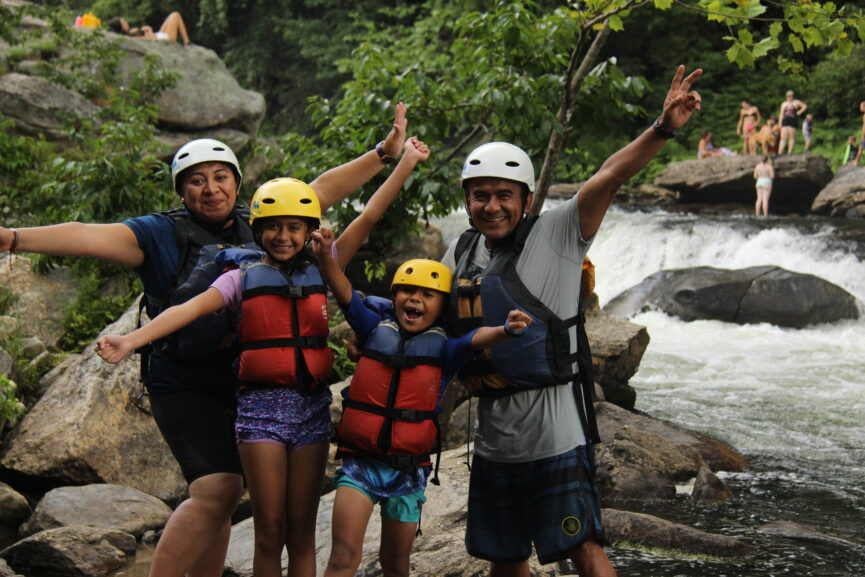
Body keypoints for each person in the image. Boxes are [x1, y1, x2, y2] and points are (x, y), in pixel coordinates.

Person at [0, 104, 407, 577]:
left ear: (237, 183)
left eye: (220, 177)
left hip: (248, 382)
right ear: (180, 189)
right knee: (216, 491)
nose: (210, 188)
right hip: (184, 381)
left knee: (227, 493)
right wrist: (13, 238)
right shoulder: (156, 233)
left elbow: (319, 192)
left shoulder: (261, 223)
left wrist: (383, 154)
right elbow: (87, 235)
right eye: (196, 180)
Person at [441, 65, 703, 577]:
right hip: (494, 440)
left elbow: (610, 176)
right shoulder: (460, 251)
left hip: (555, 436)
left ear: (524, 197)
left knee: (583, 547)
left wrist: (663, 127)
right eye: (480, 195)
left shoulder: (558, 233)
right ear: (467, 199)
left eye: (503, 194)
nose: (491, 205)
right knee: (505, 555)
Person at [311, 233, 532, 577]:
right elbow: (345, 293)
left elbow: (477, 338)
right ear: (394, 296)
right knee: (342, 557)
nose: (415, 300)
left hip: (408, 473)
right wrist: (326, 255)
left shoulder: (446, 348)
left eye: (427, 295)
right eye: (407, 292)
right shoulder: (372, 327)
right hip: (360, 468)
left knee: (396, 564)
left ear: (442, 306)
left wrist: (506, 329)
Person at [108, 12, 191, 46]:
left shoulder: (131, 32)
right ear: (121, 28)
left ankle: (186, 41)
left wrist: (147, 30)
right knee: (175, 15)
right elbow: (152, 40)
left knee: (171, 17)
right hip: (164, 38)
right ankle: (186, 41)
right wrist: (149, 31)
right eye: (123, 23)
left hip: (158, 34)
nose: (126, 22)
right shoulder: (133, 37)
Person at [777, 90, 807, 155]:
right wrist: (779, 123)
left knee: (791, 137)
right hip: (785, 121)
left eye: (790, 96)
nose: (789, 97)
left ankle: (789, 152)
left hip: (793, 121)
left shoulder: (796, 102)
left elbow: (804, 106)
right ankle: (779, 152)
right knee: (783, 137)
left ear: (792, 96)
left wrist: (800, 111)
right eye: (788, 96)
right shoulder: (784, 104)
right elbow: (781, 114)